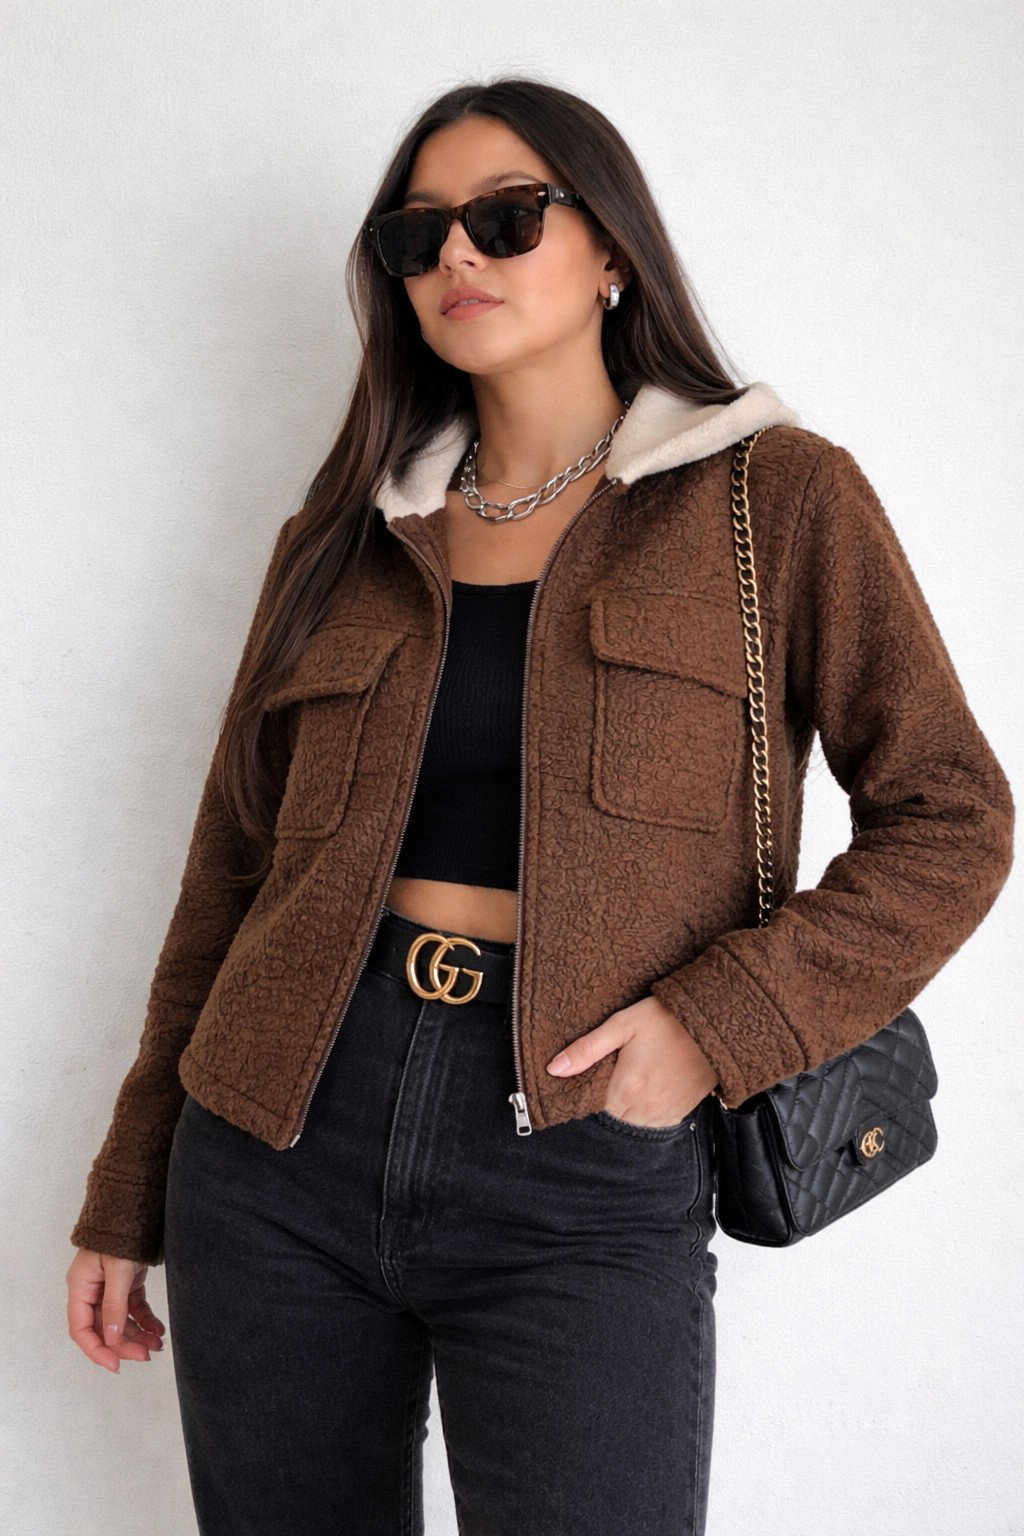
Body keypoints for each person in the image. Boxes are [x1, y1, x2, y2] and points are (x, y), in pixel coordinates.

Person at [66, 76, 1014, 1535]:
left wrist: (718, 1023)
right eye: (418, 235)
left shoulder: (774, 500)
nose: (458, 255)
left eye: (507, 218)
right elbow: (230, 872)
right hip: (273, 1142)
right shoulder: (340, 536)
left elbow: (952, 814)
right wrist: (131, 1183)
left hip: (580, 1147)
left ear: (611, 248)